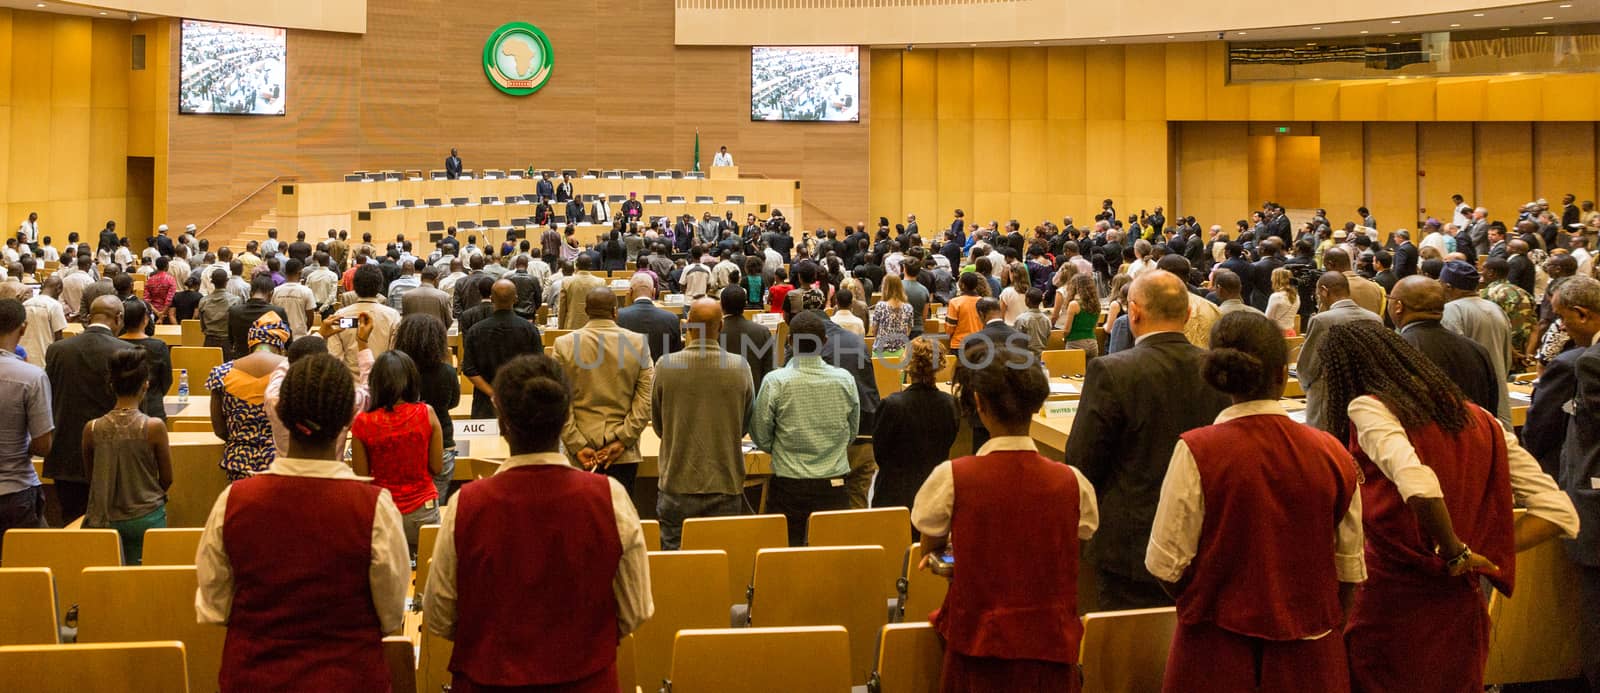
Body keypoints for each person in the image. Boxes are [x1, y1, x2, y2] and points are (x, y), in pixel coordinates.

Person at [1317, 320, 1577, 692]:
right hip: (1459, 605)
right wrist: (1477, 551)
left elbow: (1418, 484)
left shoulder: (1367, 407)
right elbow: (1558, 512)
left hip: (1391, 601)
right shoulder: (1481, 418)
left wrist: (1455, 550)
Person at [1146, 312, 1364, 692]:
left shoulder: (1199, 449)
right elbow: (1350, 570)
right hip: (1310, 650)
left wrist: (1210, 598)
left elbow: (1165, 566)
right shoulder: (1332, 453)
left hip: (1215, 650)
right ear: (1282, 374)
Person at [422, 354, 652, 691]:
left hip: (489, 679)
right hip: (585, 679)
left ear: (501, 422)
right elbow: (636, 609)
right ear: (563, 422)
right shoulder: (610, 498)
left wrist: (491, 644)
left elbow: (439, 615)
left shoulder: (465, 506)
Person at [197, 352, 409, 691]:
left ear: (279, 410)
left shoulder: (234, 501)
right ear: (347, 420)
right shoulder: (375, 508)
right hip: (348, 679)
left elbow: (213, 607)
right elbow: (391, 613)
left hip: (255, 677)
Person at [911, 339, 1097, 691]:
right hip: (1051, 649)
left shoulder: (952, 476)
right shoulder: (1074, 483)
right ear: (1037, 405)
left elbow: (929, 546)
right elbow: (1074, 547)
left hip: (977, 646)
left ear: (978, 403)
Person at [1065, 270, 1229, 610]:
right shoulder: (1217, 370)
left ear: (1133, 312)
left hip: (1128, 542)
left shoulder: (1111, 371)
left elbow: (1082, 460)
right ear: (1186, 315)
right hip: (1201, 536)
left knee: (1127, 653)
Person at [651, 299, 754, 549]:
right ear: (721, 326)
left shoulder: (665, 366)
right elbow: (744, 424)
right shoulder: (739, 367)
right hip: (725, 482)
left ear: (687, 326)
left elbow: (658, 425)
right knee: (722, 565)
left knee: (675, 566)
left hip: (677, 480)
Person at [751, 310, 859, 546]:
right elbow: (851, 433)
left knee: (786, 563)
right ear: (825, 343)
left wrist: (780, 448)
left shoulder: (775, 381)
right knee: (833, 563)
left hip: (789, 485)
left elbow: (760, 435)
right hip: (834, 483)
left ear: (790, 341)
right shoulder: (845, 380)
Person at [552, 286, 654, 493]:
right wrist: (623, 439)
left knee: (581, 519)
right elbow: (645, 399)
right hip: (623, 451)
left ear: (586, 311)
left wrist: (577, 444)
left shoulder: (563, 344)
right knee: (619, 519)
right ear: (615, 311)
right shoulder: (638, 343)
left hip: (579, 452)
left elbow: (557, 401)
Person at [45, 295, 134, 520]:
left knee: (72, 522)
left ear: (88, 316)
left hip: (67, 451)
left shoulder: (57, 350)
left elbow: (50, 395)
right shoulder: (127, 351)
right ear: (119, 317)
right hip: (114, 451)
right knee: (113, 526)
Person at [82, 349, 172, 565]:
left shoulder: (92, 428)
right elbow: (167, 478)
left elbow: (91, 476)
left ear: (111, 385)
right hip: (147, 514)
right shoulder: (154, 427)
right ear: (145, 385)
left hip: (103, 518)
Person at [351, 351, 444, 556]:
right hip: (423, 508)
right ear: (411, 379)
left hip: (384, 511)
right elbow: (437, 467)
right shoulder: (426, 413)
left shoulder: (362, 423)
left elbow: (361, 480)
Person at [1386, 276, 1503, 420]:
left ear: (1398, 306)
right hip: (1475, 437)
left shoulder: (1394, 350)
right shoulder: (1477, 350)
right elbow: (1490, 413)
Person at [872, 338, 958, 513]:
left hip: (893, 493)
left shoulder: (891, 404)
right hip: (934, 489)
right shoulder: (951, 403)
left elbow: (879, 453)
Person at [208, 313, 289, 481]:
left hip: (238, 463)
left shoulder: (222, 373)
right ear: (281, 346)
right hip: (282, 465)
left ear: (251, 343)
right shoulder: (293, 371)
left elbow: (220, 429)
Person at [1296, 272, 1382, 430]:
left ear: (1323, 290)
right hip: (1364, 398)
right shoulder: (1375, 318)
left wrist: (1306, 388)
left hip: (1328, 400)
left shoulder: (1322, 320)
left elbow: (1307, 367)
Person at [0, 299, 53, 550]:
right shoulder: (31, 377)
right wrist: (22, 446)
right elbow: (44, 445)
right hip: (16, 490)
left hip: (17, 491)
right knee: (27, 572)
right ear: (23, 328)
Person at [1439, 260, 1513, 425]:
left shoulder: (1452, 310)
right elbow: (1507, 355)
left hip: (1471, 400)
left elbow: (1455, 359)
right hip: (1498, 391)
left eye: (1441, 284)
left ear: (1449, 287)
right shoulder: (1495, 308)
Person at [462, 279, 544, 419]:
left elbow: (469, 369)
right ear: (516, 299)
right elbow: (538, 366)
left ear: (492, 298)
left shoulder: (475, 331)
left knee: (483, 441)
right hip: (521, 400)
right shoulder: (530, 330)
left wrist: (493, 394)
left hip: (485, 403)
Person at [328, 265, 401, 378]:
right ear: (380, 287)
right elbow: (394, 354)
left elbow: (335, 356)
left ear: (355, 287)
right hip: (381, 382)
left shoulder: (340, 316)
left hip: (349, 385)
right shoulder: (392, 316)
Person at [116, 300, 173, 421]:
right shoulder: (159, 346)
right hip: (153, 407)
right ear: (145, 319)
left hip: (119, 408)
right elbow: (167, 380)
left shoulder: (113, 344)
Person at [719, 286, 776, 389]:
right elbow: (769, 370)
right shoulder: (762, 331)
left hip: (722, 395)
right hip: (754, 393)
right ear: (745, 304)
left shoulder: (714, 333)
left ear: (721, 305)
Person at [616, 274, 682, 362]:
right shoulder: (672, 318)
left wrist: (626, 307)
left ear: (630, 292)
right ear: (654, 292)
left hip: (630, 374)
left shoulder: (619, 316)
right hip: (660, 373)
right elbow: (676, 355)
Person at [227, 274, 290, 362]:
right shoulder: (278, 312)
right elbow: (288, 342)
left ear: (250, 293)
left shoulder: (234, 311)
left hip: (241, 362)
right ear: (271, 293)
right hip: (269, 363)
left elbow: (231, 340)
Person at [21, 275, 67, 368]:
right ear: (58, 289)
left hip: (23, 358)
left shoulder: (25, 304)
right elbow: (58, 339)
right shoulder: (55, 305)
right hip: (44, 358)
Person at [1056, 273, 1100, 358]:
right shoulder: (1096, 304)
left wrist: (1065, 339)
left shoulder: (1074, 304)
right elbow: (1094, 327)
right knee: (1091, 371)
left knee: (1072, 370)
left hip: (1075, 343)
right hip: (1093, 343)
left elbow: (1066, 330)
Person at [869, 274, 914, 356]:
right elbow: (908, 331)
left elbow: (874, 331)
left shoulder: (880, 306)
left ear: (885, 287)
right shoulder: (908, 308)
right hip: (901, 352)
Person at [271, 258, 317, 337]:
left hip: (280, 335)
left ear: (285, 272)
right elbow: (310, 318)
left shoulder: (275, 291)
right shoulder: (307, 291)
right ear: (300, 272)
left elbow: (272, 314)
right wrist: (304, 331)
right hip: (300, 335)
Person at [558, 257, 605, 329]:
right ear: (590, 266)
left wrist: (560, 328)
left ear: (576, 266)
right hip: (594, 326)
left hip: (572, 325)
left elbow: (562, 308)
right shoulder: (600, 282)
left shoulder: (566, 282)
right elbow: (603, 307)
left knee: (575, 340)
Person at [944, 272, 986, 349]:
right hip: (979, 344)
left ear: (962, 285)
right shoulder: (984, 302)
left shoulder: (955, 302)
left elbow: (949, 328)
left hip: (959, 344)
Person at [1264, 266, 1300, 335]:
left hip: (1277, 335)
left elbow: (1267, 319)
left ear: (1276, 280)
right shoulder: (1297, 296)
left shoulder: (1276, 296)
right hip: (1291, 333)